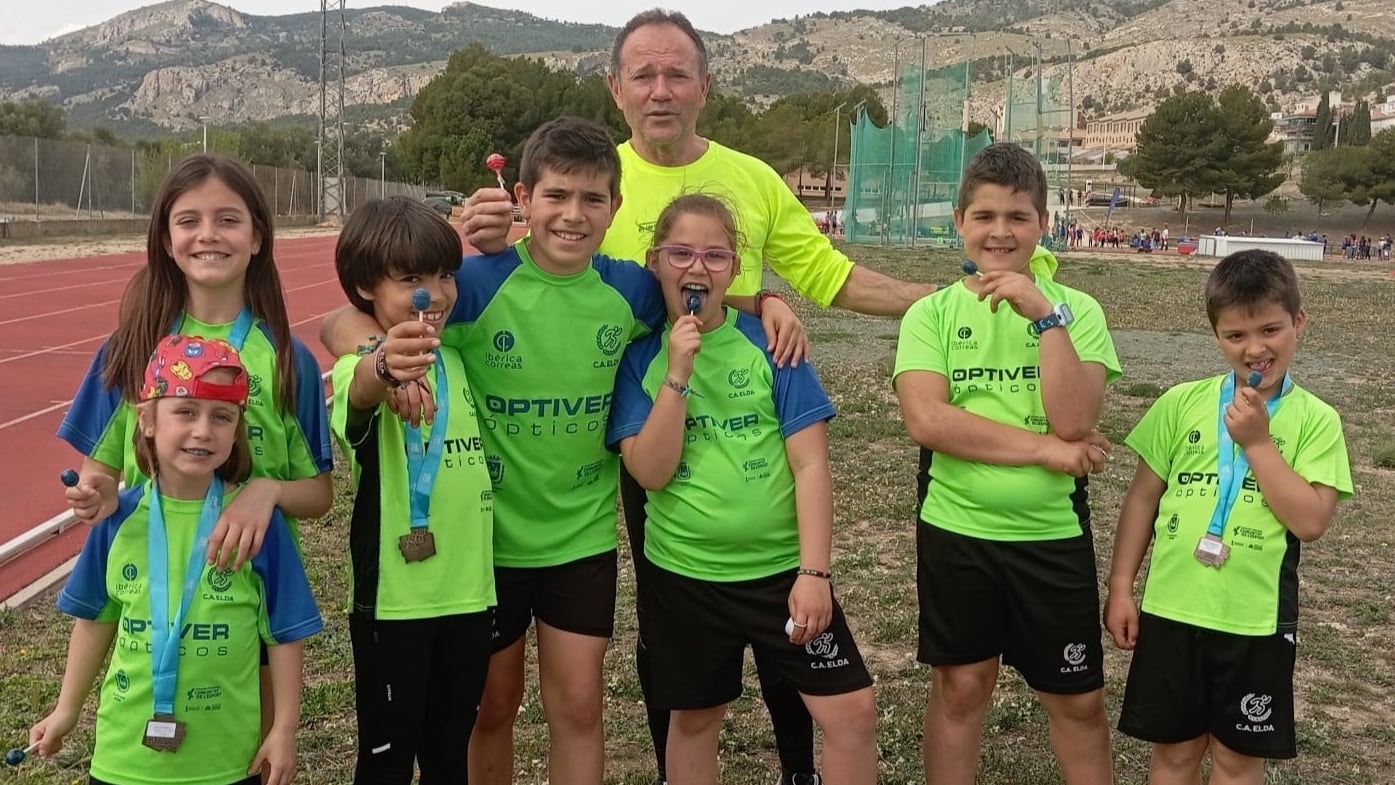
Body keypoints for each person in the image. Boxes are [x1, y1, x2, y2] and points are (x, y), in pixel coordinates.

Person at [456, 11, 1060, 784]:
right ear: (614, 89)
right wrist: (462, 237)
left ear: (706, 86)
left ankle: (800, 764)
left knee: (778, 619)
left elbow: (826, 274)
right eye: (642, 74)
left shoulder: (751, 177)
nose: (660, 89)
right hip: (629, 434)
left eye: (677, 73)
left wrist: (939, 294)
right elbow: (555, 276)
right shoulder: (589, 177)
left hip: (722, 424)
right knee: (674, 630)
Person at [319, 117, 793, 785]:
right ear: (522, 198)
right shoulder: (477, 284)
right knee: (493, 708)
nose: (573, 215)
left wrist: (767, 300)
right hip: (488, 543)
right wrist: (379, 359)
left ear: (614, 208)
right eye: (556, 196)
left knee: (577, 706)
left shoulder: (628, 290)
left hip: (580, 540)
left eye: (591, 199)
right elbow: (343, 318)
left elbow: (700, 287)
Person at [55, 153, 333, 741]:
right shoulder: (128, 350)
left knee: (240, 759)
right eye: (189, 221)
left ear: (258, 237)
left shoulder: (288, 360)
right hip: (149, 599)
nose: (209, 235)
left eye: (228, 220)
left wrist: (267, 491)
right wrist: (95, 492)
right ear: (165, 237)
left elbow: (319, 494)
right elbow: (99, 474)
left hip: (244, 599)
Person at [607, 193, 877, 785]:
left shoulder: (771, 345)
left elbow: (810, 466)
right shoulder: (639, 361)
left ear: (734, 269)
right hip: (686, 577)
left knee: (852, 712)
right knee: (696, 720)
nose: (697, 268)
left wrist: (814, 574)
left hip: (781, 574)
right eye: (680, 253)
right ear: (655, 261)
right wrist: (678, 373)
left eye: (715, 255)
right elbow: (650, 473)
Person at [892, 142, 1122, 785]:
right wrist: (1048, 450)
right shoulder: (929, 314)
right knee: (962, 687)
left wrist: (1047, 318)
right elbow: (930, 421)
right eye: (985, 216)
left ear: (1044, 224)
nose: (1000, 232)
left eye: (1018, 217)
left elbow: (1076, 420)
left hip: (1051, 538)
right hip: (958, 532)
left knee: (1077, 700)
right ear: (960, 221)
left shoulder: (1080, 312)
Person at [1105, 250, 1353, 785]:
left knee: (1238, 763)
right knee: (1173, 755)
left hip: (1254, 622)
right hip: (1172, 612)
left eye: (1270, 329)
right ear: (1215, 335)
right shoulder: (1179, 403)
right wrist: (1122, 584)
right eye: (1236, 335)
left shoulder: (1317, 420)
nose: (1255, 349)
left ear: (1299, 322)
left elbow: (1310, 521)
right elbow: (1143, 498)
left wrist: (1259, 444)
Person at [29, 336, 322, 785]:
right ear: (146, 420)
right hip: (124, 762)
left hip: (224, 764)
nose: (204, 431)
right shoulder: (117, 520)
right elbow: (95, 620)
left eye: (222, 417)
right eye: (185, 412)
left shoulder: (257, 524)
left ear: (237, 430)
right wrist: (66, 710)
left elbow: (283, 634)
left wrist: (284, 728)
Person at [329, 197, 496, 784]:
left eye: (445, 275)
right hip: (395, 606)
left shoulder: (458, 359)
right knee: (386, 762)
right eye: (411, 281)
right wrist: (385, 366)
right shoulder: (362, 365)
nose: (437, 293)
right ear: (365, 288)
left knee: (450, 756)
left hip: (470, 597)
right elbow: (359, 389)